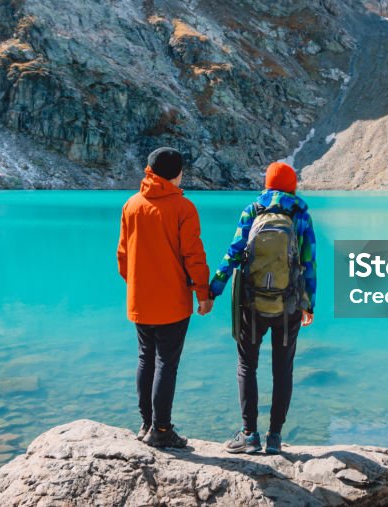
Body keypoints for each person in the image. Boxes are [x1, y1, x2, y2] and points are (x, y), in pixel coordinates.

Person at [209, 161, 316, 455]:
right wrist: (309, 305)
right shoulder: (300, 214)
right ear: (293, 185)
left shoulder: (253, 210)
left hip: (251, 303)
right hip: (289, 304)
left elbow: (233, 252)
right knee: (283, 370)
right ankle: (275, 437)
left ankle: (249, 435)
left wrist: (214, 288)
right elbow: (309, 262)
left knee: (247, 366)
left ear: (267, 184)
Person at [117, 147, 213, 448]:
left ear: (150, 170)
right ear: (177, 174)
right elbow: (193, 256)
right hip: (172, 302)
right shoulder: (183, 208)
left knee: (146, 358)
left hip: (140, 300)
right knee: (166, 364)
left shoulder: (131, 204)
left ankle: (146, 423)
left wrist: (136, 285)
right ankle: (161, 430)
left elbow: (122, 255)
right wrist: (203, 293)